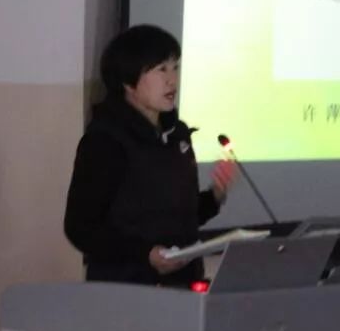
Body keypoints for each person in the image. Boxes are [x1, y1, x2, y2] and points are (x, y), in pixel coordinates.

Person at [64, 25, 235, 286]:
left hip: (182, 283)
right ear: (128, 81)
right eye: (161, 70)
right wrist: (145, 254)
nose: (172, 80)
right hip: (126, 287)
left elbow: (173, 217)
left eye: (175, 67)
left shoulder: (177, 134)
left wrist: (214, 197)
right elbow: (81, 228)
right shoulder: (105, 141)